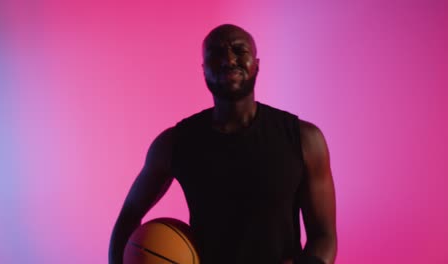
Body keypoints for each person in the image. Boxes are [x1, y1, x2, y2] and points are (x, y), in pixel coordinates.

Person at [109, 24, 337, 264]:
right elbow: (129, 216)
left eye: (239, 51)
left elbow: (324, 235)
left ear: (257, 64)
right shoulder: (174, 143)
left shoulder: (303, 139)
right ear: (203, 69)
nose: (228, 60)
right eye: (216, 54)